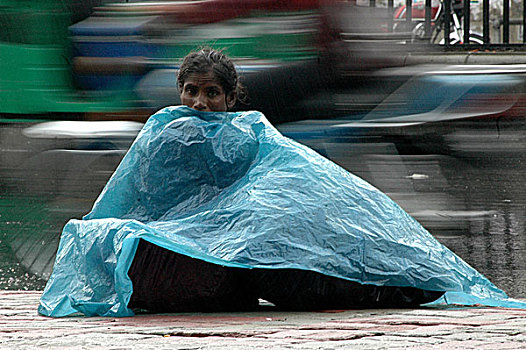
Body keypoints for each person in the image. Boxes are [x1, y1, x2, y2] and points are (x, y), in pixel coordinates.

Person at [126, 48, 443, 313]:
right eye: (191, 91)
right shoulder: (165, 139)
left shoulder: (246, 138)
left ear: (230, 98)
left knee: (297, 257)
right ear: (180, 91)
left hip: (239, 249)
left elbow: (277, 186)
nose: (199, 103)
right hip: (202, 251)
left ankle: (398, 287)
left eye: (211, 93)